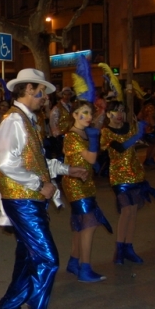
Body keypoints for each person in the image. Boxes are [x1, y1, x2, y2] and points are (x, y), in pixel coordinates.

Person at [0, 68, 87, 309]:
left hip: (28, 198)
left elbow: (38, 161)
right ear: (26, 91)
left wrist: (68, 169)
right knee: (48, 260)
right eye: (40, 91)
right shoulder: (13, 122)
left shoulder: (28, 121)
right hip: (22, 199)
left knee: (28, 257)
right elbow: (8, 165)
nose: (44, 97)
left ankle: (7, 308)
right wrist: (39, 184)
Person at [101, 100, 155, 265]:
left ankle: (128, 247)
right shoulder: (106, 132)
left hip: (136, 175)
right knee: (126, 211)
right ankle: (119, 250)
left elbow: (147, 141)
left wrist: (149, 127)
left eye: (122, 111)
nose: (119, 115)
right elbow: (120, 148)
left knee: (133, 212)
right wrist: (136, 135)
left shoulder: (130, 127)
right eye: (115, 111)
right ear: (108, 114)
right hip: (119, 178)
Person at [62, 99, 111, 282]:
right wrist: (93, 139)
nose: (89, 117)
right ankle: (85, 268)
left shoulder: (81, 133)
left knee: (80, 225)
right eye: (84, 112)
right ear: (74, 114)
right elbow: (91, 159)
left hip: (85, 182)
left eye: (90, 113)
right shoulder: (72, 136)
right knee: (89, 224)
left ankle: (74, 262)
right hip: (76, 184)